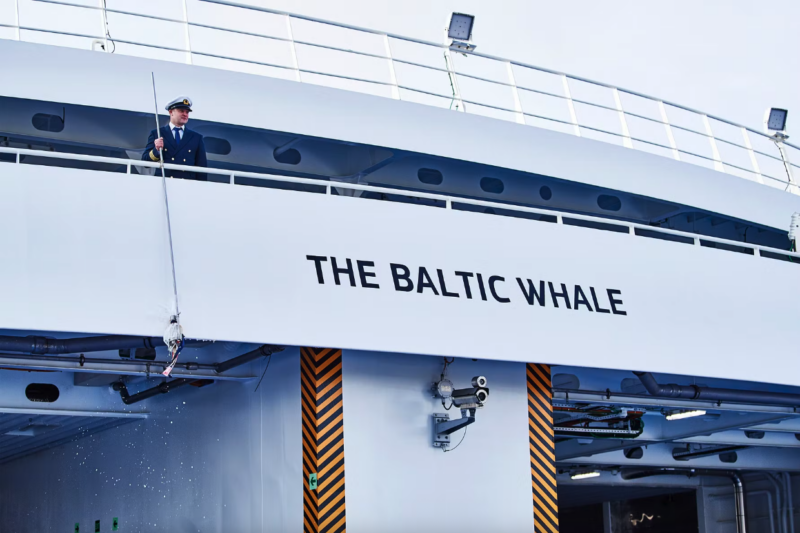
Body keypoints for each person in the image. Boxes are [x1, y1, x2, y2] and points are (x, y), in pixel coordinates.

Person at [142, 96, 207, 181]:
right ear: (171, 112)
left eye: (187, 112)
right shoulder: (157, 133)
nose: (185, 114)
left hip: (187, 185)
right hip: (164, 184)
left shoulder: (196, 137)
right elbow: (145, 163)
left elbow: (202, 168)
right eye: (181, 111)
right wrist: (156, 150)